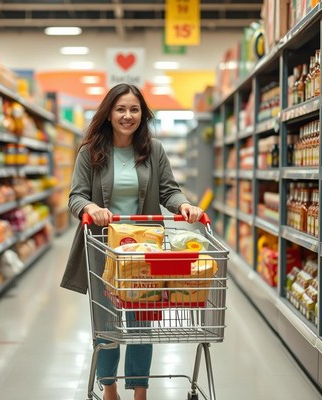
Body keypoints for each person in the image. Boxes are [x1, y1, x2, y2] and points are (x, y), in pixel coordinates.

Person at [61, 83, 204, 400]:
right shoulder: (90, 152)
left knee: (142, 325)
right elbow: (76, 197)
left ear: (143, 114)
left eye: (134, 109)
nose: (128, 115)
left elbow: (169, 190)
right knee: (107, 323)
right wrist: (91, 207)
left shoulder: (153, 150)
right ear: (109, 113)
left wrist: (184, 205)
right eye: (121, 109)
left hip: (145, 253)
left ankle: (140, 390)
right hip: (104, 250)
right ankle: (109, 387)